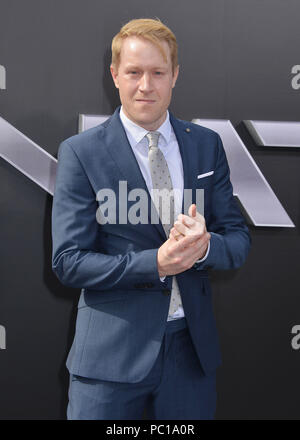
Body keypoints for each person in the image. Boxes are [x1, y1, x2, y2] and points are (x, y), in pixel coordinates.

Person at [51, 18, 251, 420]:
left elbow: (238, 239)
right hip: (109, 362)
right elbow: (68, 261)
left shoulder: (206, 146)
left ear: (175, 75)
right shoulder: (81, 152)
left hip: (189, 356)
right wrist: (156, 263)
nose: (146, 85)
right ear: (115, 75)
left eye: (158, 72)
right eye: (134, 72)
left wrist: (205, 247)